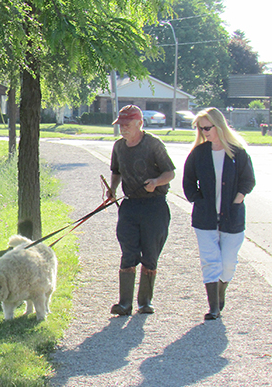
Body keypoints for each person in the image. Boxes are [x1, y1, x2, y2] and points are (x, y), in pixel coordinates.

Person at [182, 107, 255, 320]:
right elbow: (188, 181)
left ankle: (220, 291)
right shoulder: (199, 153)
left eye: (207, 127)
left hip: (232, 216)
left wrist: (237, 199)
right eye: (200, 128)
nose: (204, 132)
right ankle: (213, 306)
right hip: (204, 218)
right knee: (210, 260)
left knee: (229, 261)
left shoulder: (237, 152)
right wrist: (198, 200)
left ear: (219, 126)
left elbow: (248, 180)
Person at [106, 105, 176, 316]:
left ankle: (144, 302)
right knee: (128, 252)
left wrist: (156, 181)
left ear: (139, 123)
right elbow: (116, 171)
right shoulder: (118, 147)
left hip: (154, 205)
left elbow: (170, 172)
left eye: (127, 125)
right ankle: (124, 303)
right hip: (130, 205)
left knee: (150, 254)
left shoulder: (153, 144)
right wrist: (113, 189)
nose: (123, 129)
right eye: (120, 125)